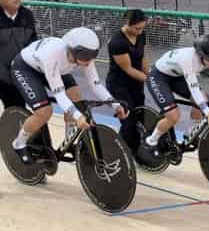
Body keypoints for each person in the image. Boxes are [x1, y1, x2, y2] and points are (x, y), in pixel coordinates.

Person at [10, 27, 128, 164]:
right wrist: (78, 117)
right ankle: (19, 143)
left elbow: (95, 84)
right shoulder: (52, 55)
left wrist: (115, 105)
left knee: (75, 95)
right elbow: (59, 95)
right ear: (71, 50)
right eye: (85, 56)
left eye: (92, 55)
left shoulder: (84, 56)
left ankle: (69, 141)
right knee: (44, 112)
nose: (88, 61)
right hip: (26, 68)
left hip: (55, 69)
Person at [141, 34, 209, 160]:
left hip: (176, 76)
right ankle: (151, 141)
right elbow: (194, 89)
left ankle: (190, 133)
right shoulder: (188, 59)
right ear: (201, 55)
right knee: (173, 116)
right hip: (158, 77)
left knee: (203, 98)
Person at [106, 9, 148, 155]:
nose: (140, 31)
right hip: (119, 85)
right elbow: (128, 69)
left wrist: (149, 74)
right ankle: (120, 152)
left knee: (140, 116)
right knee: (128, 119)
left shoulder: (141, 36)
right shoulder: (118, 42)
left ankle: (136, 150)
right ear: (127, 24)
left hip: (136, 83)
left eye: (143, 28)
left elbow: (142, 57)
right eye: (137, 28)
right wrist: (150, 81)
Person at [0, 0, 37, 109]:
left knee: (17, 109)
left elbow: (33, 45)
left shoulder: (27, 15)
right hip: (3, 76)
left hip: (19, 74)